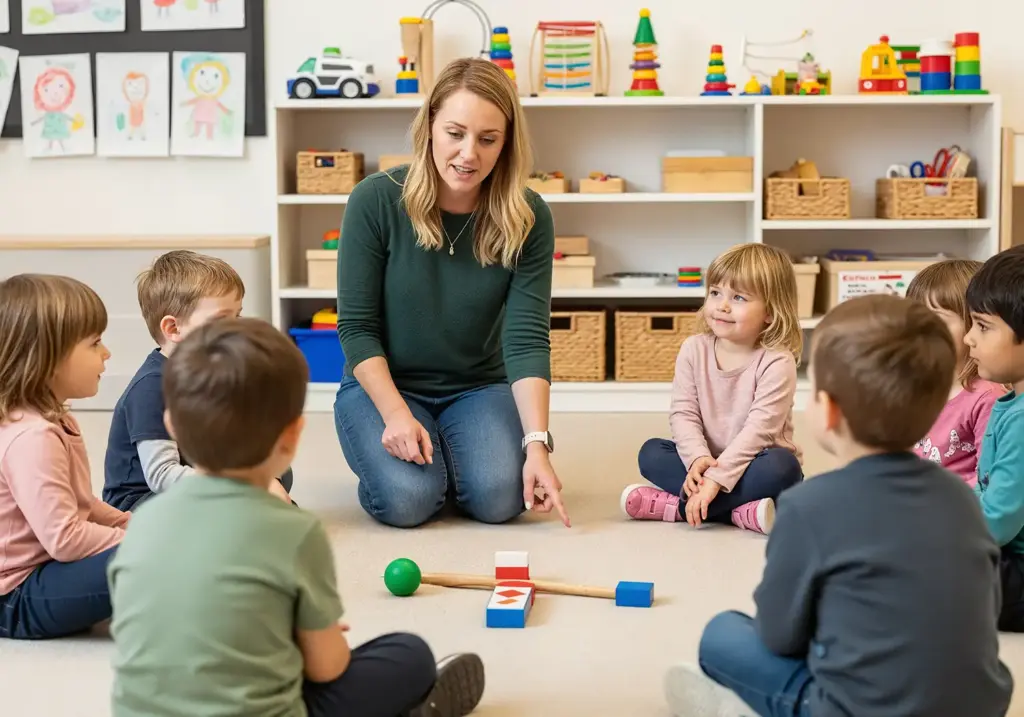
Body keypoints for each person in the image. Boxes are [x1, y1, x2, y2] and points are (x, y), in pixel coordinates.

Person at [107, 317, 486, 717]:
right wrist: (310, 640)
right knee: (410, 655)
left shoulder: (139, 524)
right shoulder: (293, 532)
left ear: (171, 424)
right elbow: (328, 667)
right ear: (291, 436)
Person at [663, 294, 1013, 717]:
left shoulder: (808, 506)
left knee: (721, 635)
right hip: (980, 706)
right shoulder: (963, 497)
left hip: (854, 708)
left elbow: (778, 634)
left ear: (827, 411)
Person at [333, 57, 569, 529]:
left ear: (507, 143)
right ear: (430, 128)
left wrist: (536, 445)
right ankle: (424, 466)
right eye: (455, 133)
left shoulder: (528, 216)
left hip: (478, 386)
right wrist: (396, 414)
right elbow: (356, 327)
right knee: (408, 501)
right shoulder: (374, 200)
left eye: (488, 139)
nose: (468, 154)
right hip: (387, 384)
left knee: (502, 500)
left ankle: (453, 460)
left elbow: (526, 339)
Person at [620, 243, 804, 535]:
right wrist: (697, 458)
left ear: (770, 312)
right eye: (715, 293)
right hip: (704, 461)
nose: (722, 306)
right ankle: (740, 513)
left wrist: (716, 480)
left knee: (783, 468)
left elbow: (760, 431)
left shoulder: (777, 361)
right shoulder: (693, 349)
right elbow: (683, 413)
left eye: (739, 297)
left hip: (754, 461)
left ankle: (678, 508)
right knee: (651, 453)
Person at [103, 250, 294, 512]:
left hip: (196, 478)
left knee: (279, 469)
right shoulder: (151, 388)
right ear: (173, 329)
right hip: (143, 501)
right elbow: (161, 475)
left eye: (237, 317)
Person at [0, 274, 130, 640]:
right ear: (48, 358)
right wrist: (146, 538)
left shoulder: (55, 418)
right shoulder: (32, 436)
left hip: (44, 570)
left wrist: (131, 523)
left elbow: (81, 503)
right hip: (16, 597)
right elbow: (66, 538)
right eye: (95, 343)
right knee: (149, 555)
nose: (107, 353)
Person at [964, 245, 1024, 632]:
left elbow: (997, 523)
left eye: (983, 326)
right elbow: (989, 492)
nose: (968, 338)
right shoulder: (1011, 404)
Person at [905, 259, 1005, 485]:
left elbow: (988, 478)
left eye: (936, 320)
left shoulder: (987, 398)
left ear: (975, 326)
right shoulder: (916, 383)